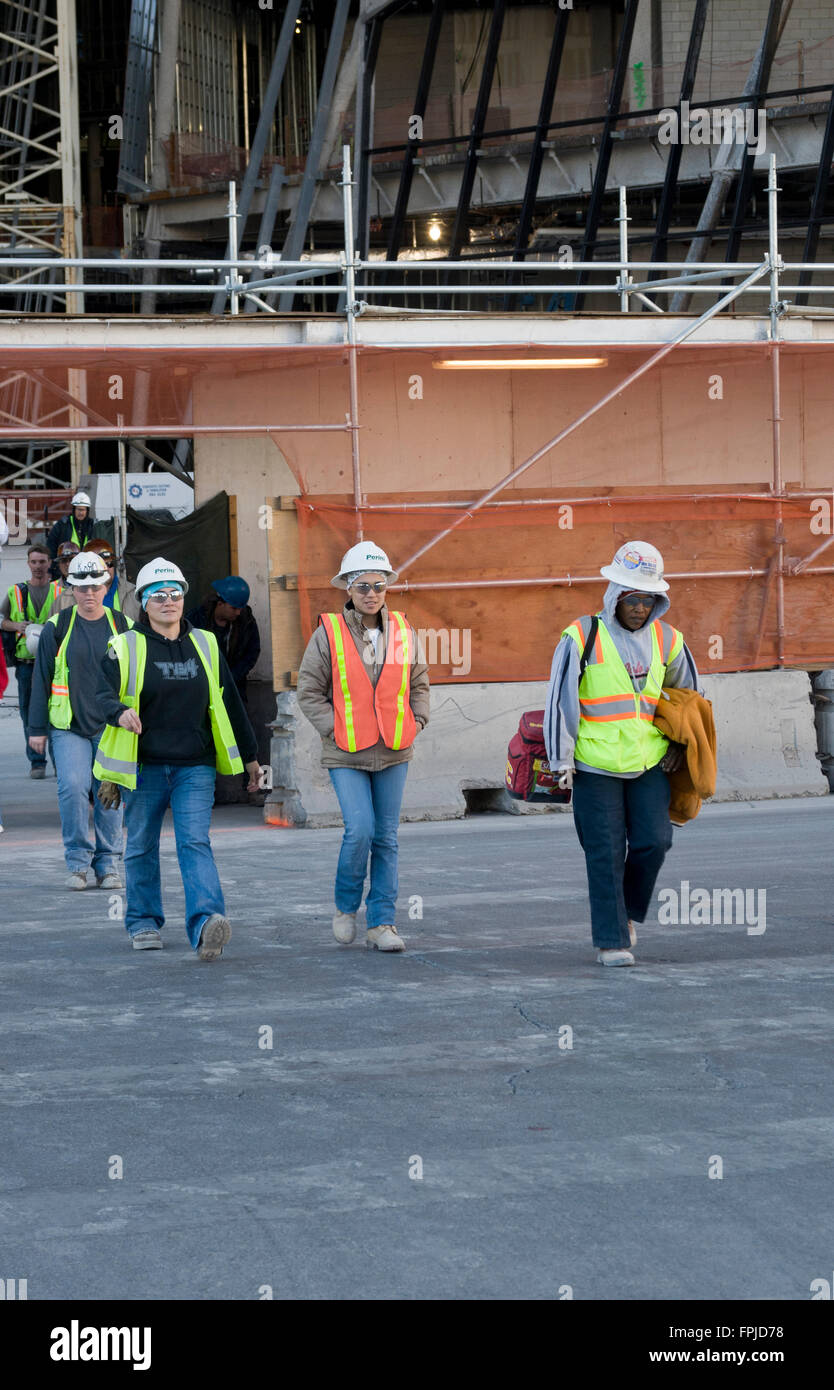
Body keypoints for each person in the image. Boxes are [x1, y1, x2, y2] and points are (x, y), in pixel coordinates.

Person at [544, 541, 701, 967]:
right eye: (633, 599)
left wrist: (677, 746)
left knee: (655, 841)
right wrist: (561, 763)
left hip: (648, 760)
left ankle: (627, 911)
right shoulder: (581, 636)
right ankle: (612, 942)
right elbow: (560, 701)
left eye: (648, 599)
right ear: (615, 594)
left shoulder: (668, 639)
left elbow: (689, 699)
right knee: (605, 852)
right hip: (593, 765)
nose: (640, 608)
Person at [94, 557, 260, 958]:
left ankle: (206, 924)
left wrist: (251, 757)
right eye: (158, 595)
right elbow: (98, 696)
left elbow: (230, 702)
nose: (168, 601)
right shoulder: (124, 647)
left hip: (195, 765)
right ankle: (143, 922)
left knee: (194, 843)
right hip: (145, 765)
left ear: (184, 598)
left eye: (175, 593)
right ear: (145, 602)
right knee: (140, 846)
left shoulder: (205, 643)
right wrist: (118, 711)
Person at [297, 541, 430, 953]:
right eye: (362, 586)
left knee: (386, 837)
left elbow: (419, 682)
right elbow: (308, 691)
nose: (371, 593)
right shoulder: (329, 634)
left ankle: (382, 923)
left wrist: (418, 720)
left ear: (387, 587)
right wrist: (332, 730)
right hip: (346, 752)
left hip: (394, 750)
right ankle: (344, 906)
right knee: (360, 831)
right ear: (348, 590)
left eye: (378, 585)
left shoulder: (405, 631)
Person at [28, 552, 133, 889]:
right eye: (81, 587)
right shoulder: (57, 628)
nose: (89, 593)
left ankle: (108, 863)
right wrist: (36, 730)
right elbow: (40, 680)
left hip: (111, 728)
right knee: (73, 787)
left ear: (106, 584)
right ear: (71, 587)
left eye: (95, 586)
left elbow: (139, 679)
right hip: (68, 727)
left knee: (109, 793)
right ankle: (77, 863)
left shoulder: (125, 627)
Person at [0, 543, 64, 777]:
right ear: (28, 563)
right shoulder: (15, 592)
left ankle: (60, 762)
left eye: (42, 562)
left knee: (57, 712)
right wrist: (17, 625)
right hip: (26, 664)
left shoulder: (60, 591)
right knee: (28, 712)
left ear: (50, 563)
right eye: (34, 562)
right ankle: (37, 762)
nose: (38, 567)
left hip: (53, 664)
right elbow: (2, 620)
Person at [186, 576, 260, 702]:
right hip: (201, 687)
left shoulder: (247, 621)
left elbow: (252, 653)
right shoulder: (195, 620)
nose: (238, 612)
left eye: (240, 608)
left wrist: (231, 678)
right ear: (220, 603)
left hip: (235, 688)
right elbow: (186, 653)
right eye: (234, 608)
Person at [57, 538, 140, 621]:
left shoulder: (133, 593)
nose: (106, 568)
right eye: (100, 565)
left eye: (109, 563)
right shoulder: (64, 600)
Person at [46, 490, 97, 561]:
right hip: (67, 563)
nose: (81, 513)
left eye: (83, 510)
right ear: (74, 510)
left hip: (88, 564)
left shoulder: (93, 525)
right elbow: (51, 544)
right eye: (78, 510)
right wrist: (55, 564)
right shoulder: (63, 524)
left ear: (87, 511)